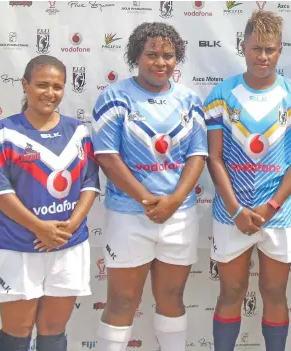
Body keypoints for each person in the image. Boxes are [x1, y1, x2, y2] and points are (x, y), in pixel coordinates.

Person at [204, 10, 291, 351]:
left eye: (270, 49)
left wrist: (270, 207)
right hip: (230, 214)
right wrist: (237, 209)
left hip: (279, 215)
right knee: (230, 293)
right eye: (256, 49)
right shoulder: (221, 95)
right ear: (243, 47)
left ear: (280, 50)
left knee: (274, 293)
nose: (263, 57)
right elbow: (214, 158)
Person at [91, 22, 208, 351]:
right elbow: (107, 158)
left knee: (171, 298)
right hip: (129, 215)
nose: (161, 62)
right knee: (122, 300)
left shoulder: (189, 100)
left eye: (168, 56)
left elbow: (198, 156)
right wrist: (146, 199)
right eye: (152, 55)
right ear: (136, 56)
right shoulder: (115, 97)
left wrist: (174, 201)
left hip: (179, 215)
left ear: (177, 58)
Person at [0, 54, 99, 351]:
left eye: (57, 86)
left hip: (68, 245)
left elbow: (90, 183)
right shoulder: (5, 132)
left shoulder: (78, 132)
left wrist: (70, 226)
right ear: (25, 85)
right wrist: (39, 228)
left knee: (53, 330)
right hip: (17, 245)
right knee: (17, 332)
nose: (50, 93)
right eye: (42, 84)